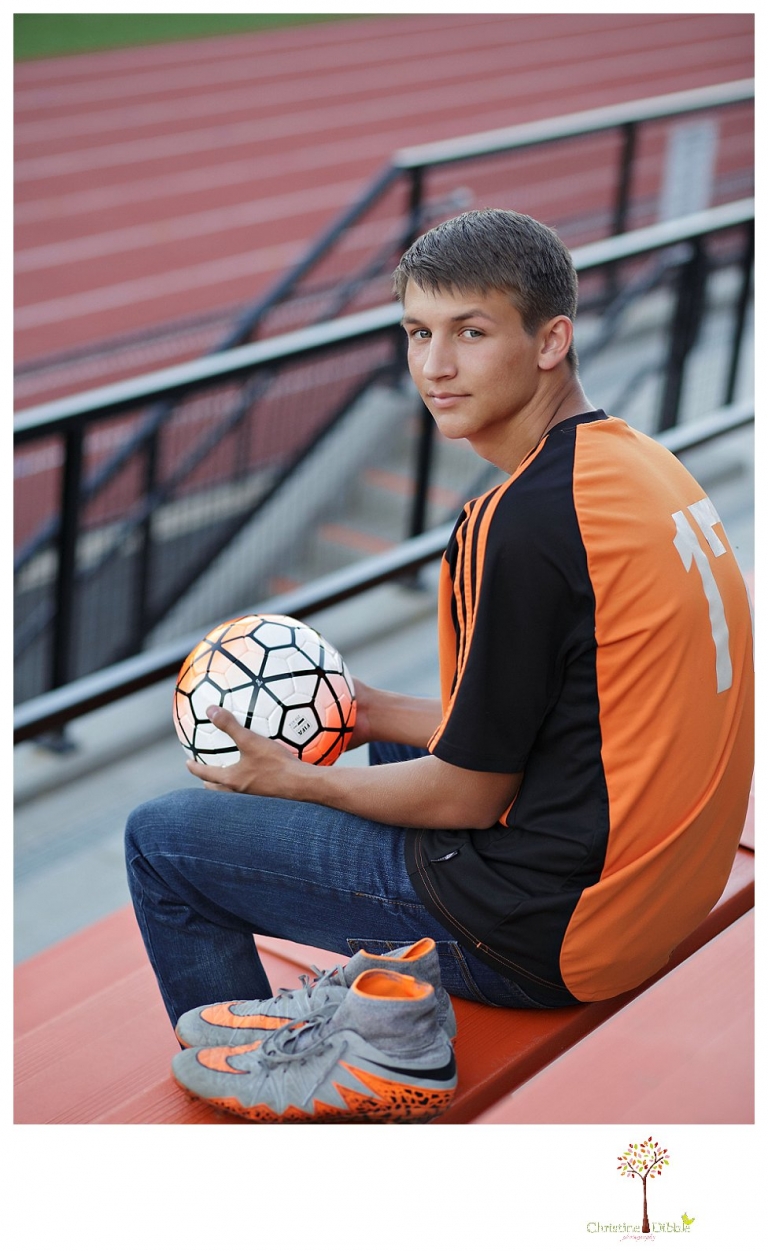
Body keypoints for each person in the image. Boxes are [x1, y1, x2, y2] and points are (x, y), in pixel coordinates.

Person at [126, 209, 753, 1104]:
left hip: (557, 935)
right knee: (386, 751)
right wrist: (371, 710)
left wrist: (292, 779)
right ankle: (380, 1001)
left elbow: (469, 790)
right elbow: (573, 719)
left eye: (471, 331)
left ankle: (291, 1069)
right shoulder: (645, 469)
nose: (434, 366)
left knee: (161, 839)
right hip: (658, 892)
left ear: (551, 341)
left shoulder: (526, 522)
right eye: (419, 333)